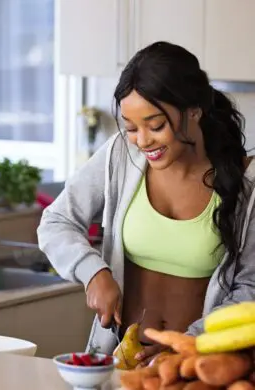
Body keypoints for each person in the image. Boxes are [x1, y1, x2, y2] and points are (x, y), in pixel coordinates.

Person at [37, 41, 255, 366]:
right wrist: (94, 272)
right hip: (119, 361)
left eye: (155, 126)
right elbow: (56, 222)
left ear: (194, 110)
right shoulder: (120, 155)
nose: (142, 141)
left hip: (196, 367)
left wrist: (187, 343)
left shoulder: (245, 181)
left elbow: (250, 287)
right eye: (131, 128)